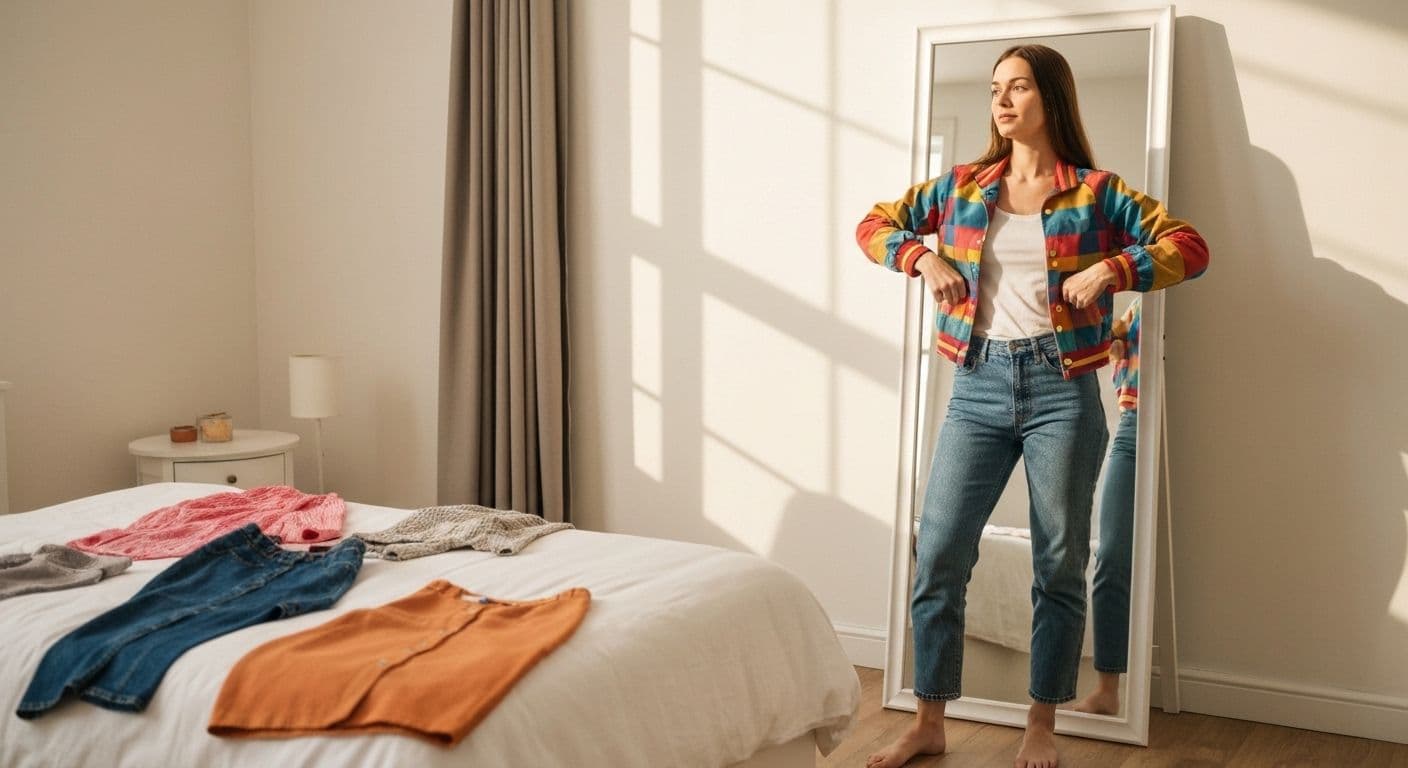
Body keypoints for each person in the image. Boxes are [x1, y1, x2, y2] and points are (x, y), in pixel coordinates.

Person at [855, 45, 1208, 768]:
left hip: (1062, 391)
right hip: (977, 384)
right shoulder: (961, 188)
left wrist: (1115, 267)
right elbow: (875, 225)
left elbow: (1189, 246)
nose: (1002, 100)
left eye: (1018, 87)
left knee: (1058, 562)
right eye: (994, 89)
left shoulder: (1097, 193)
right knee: (942, 554)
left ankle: (1040, 725)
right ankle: (929, 719)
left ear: (1051, 96)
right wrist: (923, 257)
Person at [1073, 297, 1141, 717]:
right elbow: (1100, 352)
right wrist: (1114, 338)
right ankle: (1108, 691)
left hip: (1186, 420)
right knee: (1112, 556)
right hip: (1134, 422)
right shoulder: (1138, 310)